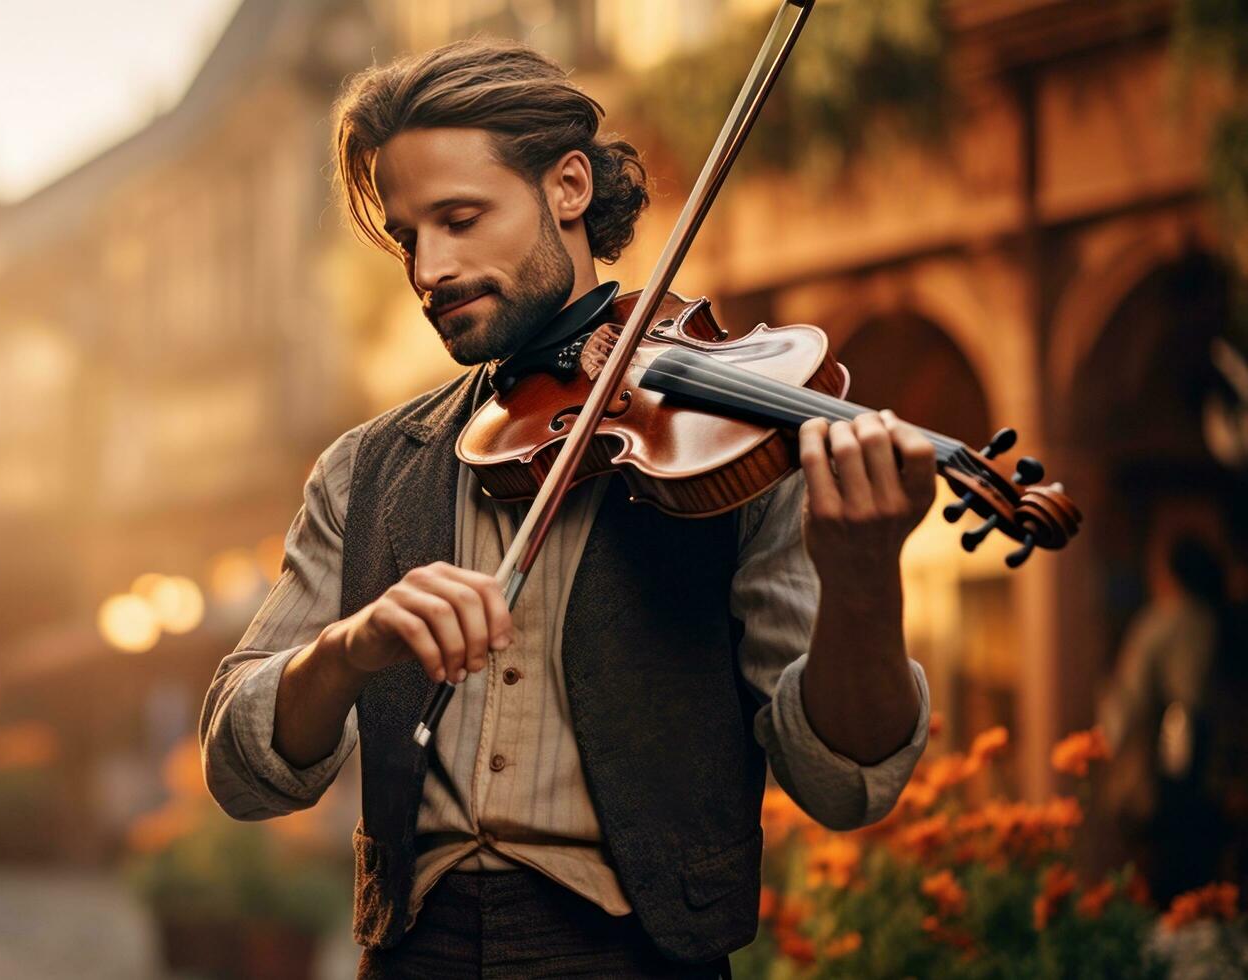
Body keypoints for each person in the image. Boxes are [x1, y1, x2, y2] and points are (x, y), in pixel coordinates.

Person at [200, 39, 932, 978]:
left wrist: (864, 578)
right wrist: (350, 647)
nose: (429, 269)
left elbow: (844, 784)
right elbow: (237, 764)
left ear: (569, 187)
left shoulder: (733, 444)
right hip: (411, 954)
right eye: (408, 237)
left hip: (633, 957)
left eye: (461, 219)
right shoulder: (365, 470)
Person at [1098, 533, 1231, 902]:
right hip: (1208, 779)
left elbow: (1131, 704)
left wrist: (1110, 747)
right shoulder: (1216, 619)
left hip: (1166, 777)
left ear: (1170, 572)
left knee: (1166, 883)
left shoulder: (1165, 622)